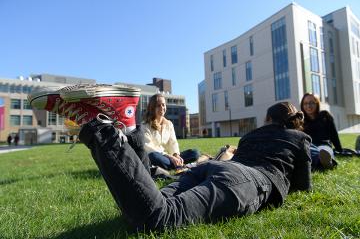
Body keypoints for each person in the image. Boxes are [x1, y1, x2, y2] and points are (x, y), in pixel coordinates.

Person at [30, 85, 312, 231]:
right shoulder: (300, 138)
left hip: (218, 168)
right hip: (244, 180)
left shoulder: (251, 136)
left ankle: (128, 125)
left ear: (268, 119)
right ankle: (101, 127)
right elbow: (302, 185)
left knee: (146, 201)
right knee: (160, 218)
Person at [143, 94, 200, 170]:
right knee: (154, 157)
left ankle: (174, 164)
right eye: (158, 105)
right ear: (152, 108)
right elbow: (148, 148)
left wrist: (176, 155)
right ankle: (177, 164)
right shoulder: (145, 125)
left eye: (163, 105)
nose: (162, 108)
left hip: (170, 157)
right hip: (158, 156)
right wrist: (169, 156)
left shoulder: (169, 124)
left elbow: (173, 142)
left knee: (195, 153)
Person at [300, 93, 342, 170]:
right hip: (309, 146)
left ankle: (327, 162)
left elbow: (334, 135)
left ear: (317, 104)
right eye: (305, 103)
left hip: (324, 146)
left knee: (323, 152)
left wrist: (339, 150)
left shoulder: (325, 116)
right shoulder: (300, 121)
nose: (308, 106)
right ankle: (322, 164)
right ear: (302, 105)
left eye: (312, 103)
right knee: (308, 152)